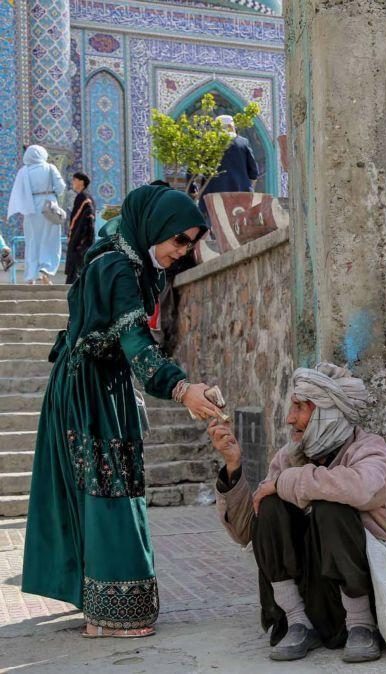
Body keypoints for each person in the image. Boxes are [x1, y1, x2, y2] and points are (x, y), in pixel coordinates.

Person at [21, 184, 224, 638]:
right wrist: (181, 389)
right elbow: (135, 344)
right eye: (179, 240)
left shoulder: (134, 261)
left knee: (112, 484)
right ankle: (111, 615)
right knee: (107, 489)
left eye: (191, 242)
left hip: (102, 385)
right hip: (86, 391)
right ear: (155, 229)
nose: (184, 251)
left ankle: (103, 608)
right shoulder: (116, 266)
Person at [209, 363, 386, 663]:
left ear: (328, 412)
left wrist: (287, 481)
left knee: (331, 505)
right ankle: (298, 621)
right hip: (310, 598)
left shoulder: (369, 449)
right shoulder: (289, 457)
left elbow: (361, 488)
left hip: (363, 594)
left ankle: (362, 625)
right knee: (270, 506)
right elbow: (249, 531)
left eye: (300, 407)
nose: (290, 418)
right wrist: (233, 467)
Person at [6, 145, 66, 285]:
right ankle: (45, 270)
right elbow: (61, 187)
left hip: (31, 208)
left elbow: (18, 192)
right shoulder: (50, 168)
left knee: (32, 241)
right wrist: (53, 192)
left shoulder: (24, 171)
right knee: (50, 239)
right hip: (49, 206)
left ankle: (30, 276)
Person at [194, 114, 259, 217]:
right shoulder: (243, 143)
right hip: (240, 195)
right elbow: (254, 173)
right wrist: (249, 190)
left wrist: (193, 190)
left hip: (213, 196)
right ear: (231, 126)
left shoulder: (209, 144)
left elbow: (195, 168)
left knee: (216, 227)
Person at [64, 172, 95, 285]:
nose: (73, 182)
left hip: (81, 241)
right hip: (80, 240)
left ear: (81, 182)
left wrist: (81, 239)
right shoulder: (84, 197)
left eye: (74, 180)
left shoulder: (84, 198)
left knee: (77, 268)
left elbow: (86, 220)